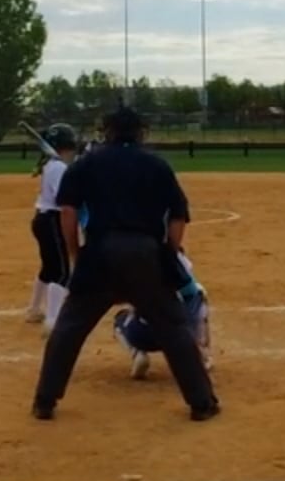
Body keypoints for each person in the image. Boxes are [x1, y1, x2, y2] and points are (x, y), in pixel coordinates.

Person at [33, 105, 219, 422]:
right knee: (173, 328)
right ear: (141, 132)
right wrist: (167, 255)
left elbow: (68, 212)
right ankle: (202, 403)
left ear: (107, 131)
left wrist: (76, 252)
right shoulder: (157, 164)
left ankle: (45, 400)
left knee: (69, 328)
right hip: (145, 252)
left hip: (100, 251)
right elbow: (177, 217)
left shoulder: (87, 163)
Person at [114, 249, 213, 379]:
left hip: (144, 336)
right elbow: (193, 293)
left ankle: (137, 353)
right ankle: (200, 351)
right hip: (181, 335)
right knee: (199, 297)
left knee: (120, 319)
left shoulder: (135, 262)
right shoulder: (179, 262)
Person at [25, 124, 79, 329]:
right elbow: (62, 198)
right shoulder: (58, 167)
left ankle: (34, 310)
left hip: (43, 219)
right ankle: (53, 320)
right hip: (53, 221)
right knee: (62, 272)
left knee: (49, 268)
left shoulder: (53, 165)